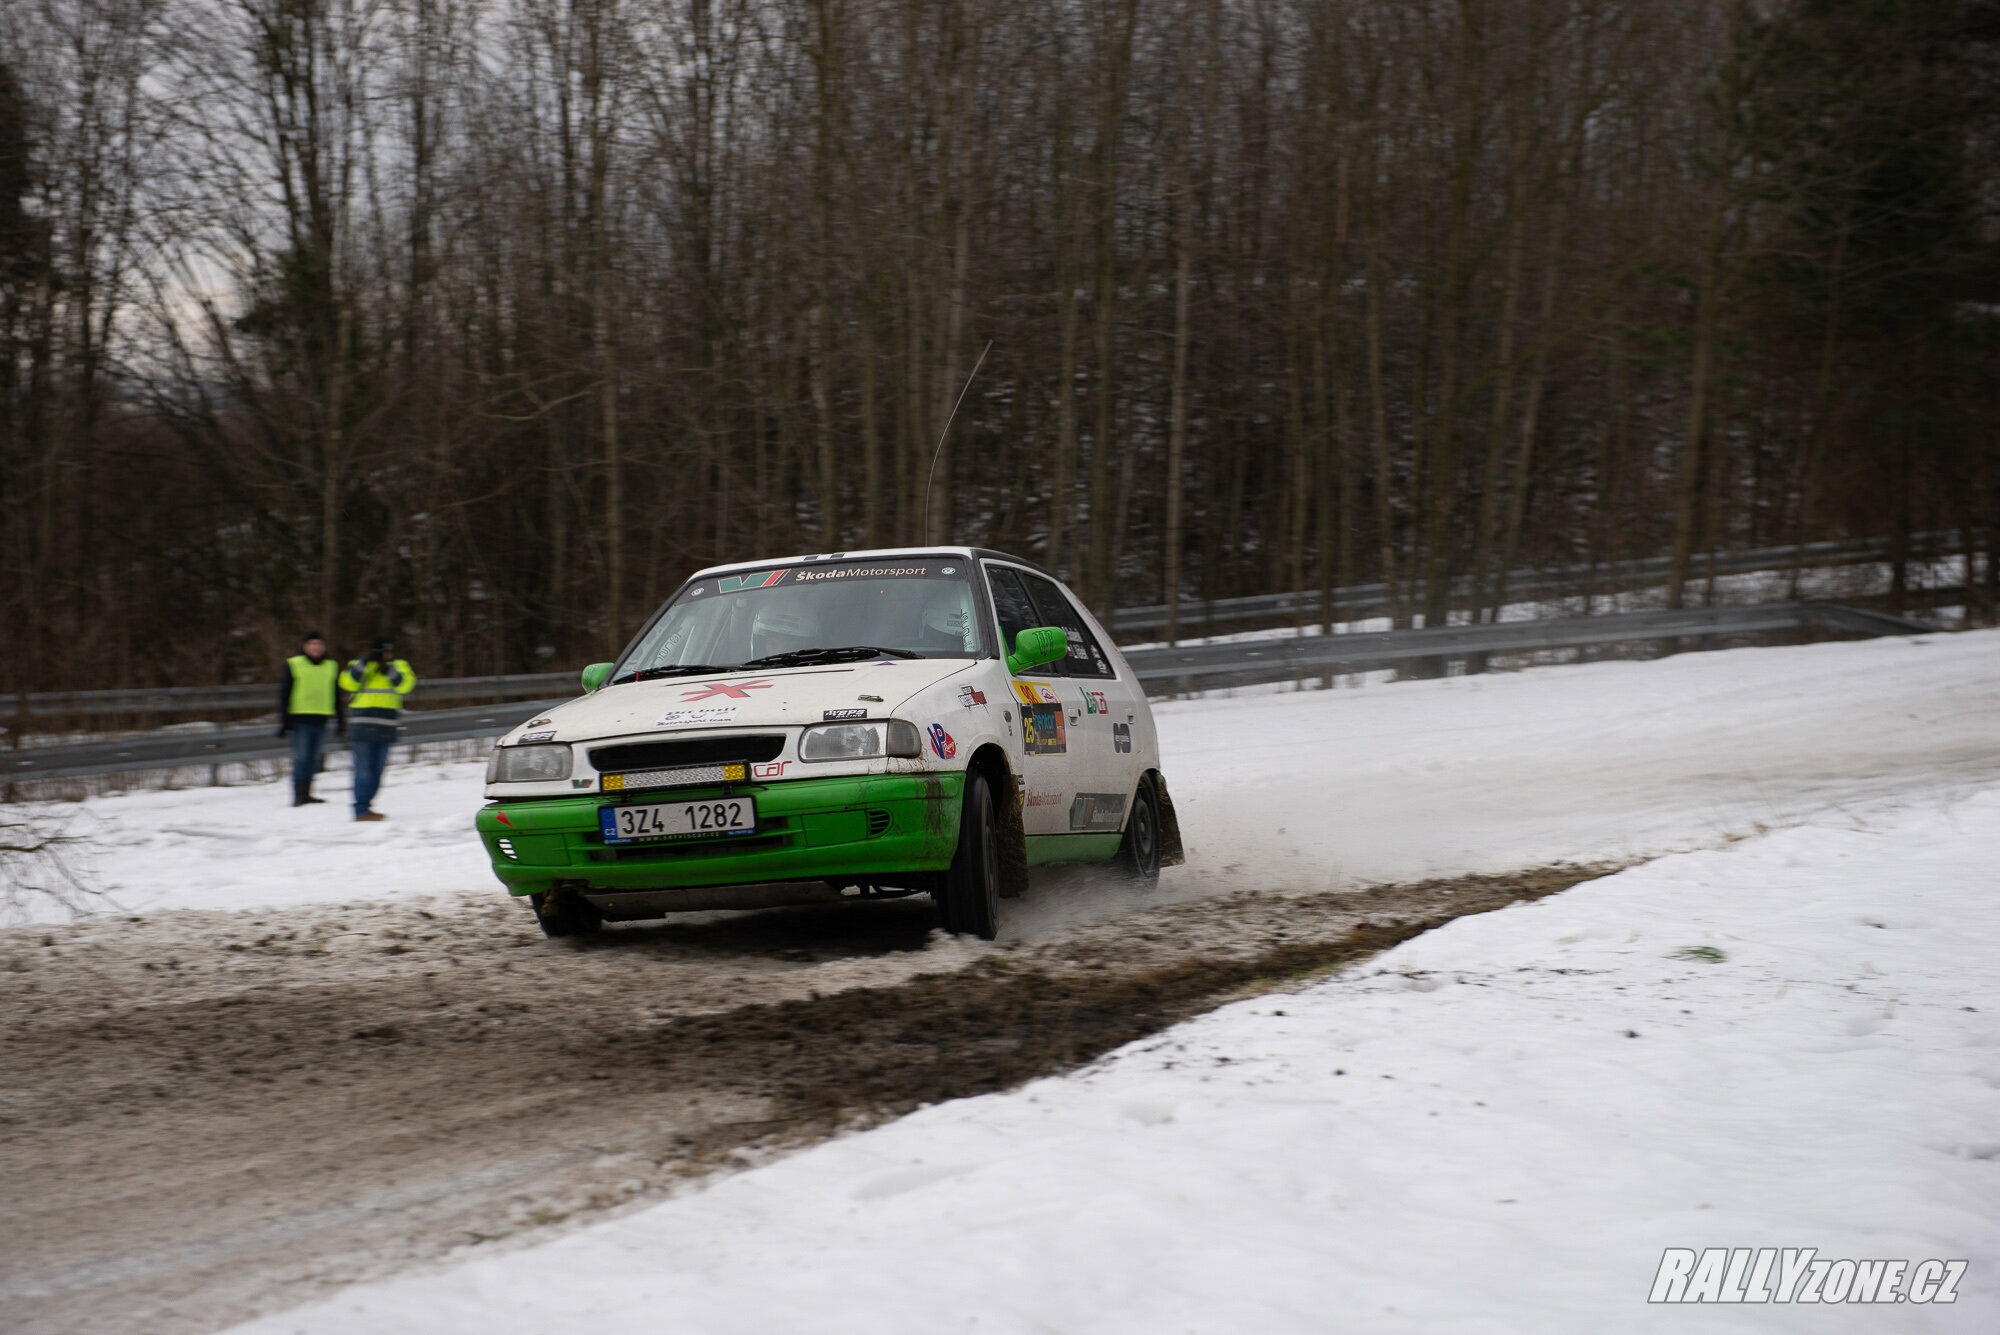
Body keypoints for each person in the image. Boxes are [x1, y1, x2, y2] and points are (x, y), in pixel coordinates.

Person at [338, 636, 417, 822]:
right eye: (381, 652)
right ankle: (361, 809)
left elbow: (406, 685)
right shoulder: (359, 664)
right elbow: (346, 683)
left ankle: (366, 807)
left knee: (377, 770)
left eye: (387, 651)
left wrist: (389, 671)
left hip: (386, 725)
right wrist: (365, 663)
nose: (385, 655)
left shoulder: (399, 665)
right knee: (363, 769)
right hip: (362, 725)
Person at [277, 631, 345, 807]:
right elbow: (285, 693)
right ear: (305, 646)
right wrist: (284, 720)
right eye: (312, 644)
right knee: (302, 758)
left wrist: (341, 719)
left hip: (322, 718)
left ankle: (307, 793)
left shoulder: (331, 665)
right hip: (300, 719)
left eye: (319, 644)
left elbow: (337, 694)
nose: (316, 648)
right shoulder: (294, 664)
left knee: (314, 759)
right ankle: (299, 795)